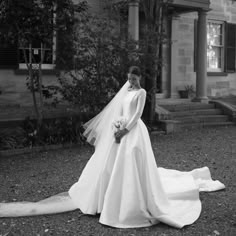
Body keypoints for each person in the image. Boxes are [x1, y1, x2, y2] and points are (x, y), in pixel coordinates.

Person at [0, 66, 225, 229]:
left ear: (139, 78)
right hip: (120, 131)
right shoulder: (126, 91)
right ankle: (102, 201)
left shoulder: (142, 93)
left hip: (134, 133)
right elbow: (120, 112)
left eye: (134, 79)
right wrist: (115, 127)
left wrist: (124, 130)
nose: (131, 82)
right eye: (129, 79)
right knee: (110, 166)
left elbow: (136, 115)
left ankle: (128, 205)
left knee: (130, 166)